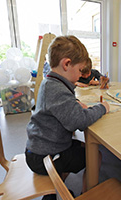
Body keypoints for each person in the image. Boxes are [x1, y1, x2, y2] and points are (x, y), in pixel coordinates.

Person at [25, 35, 110, 199]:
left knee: (83, 148)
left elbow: (60, 104)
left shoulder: (50, 81)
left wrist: (75, 103)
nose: (81, 75)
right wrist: (102, 108)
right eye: (80, 70)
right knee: (95, 156)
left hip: (39, 148)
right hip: (45, 156)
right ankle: (86, 195)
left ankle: (54, 189)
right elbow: (80, 121)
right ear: (66, 64)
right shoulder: (58, 89)